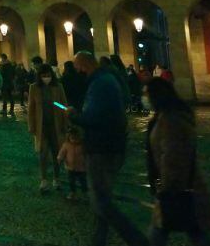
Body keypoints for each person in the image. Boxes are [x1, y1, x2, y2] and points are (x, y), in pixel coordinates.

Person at [67, 51, 147, 246]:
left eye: (78, 69)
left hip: (101, 148)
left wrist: (74, 116)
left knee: (100, 201)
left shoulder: (100, 84)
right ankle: (99, 240)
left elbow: (93, 118)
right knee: (102, 197)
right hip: (113, 144)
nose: (78, 73)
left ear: (84, 66)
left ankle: (137, 240)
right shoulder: (108, 79)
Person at [144, 77, 210, 246]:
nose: (145, 98)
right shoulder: (165, 115)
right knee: (194, 230)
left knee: (166, 231)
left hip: (179, 186)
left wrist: (167, 185)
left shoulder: (172, 120)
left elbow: (173, 156)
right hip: (180, 186)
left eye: (146, 94)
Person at [28, 63, 67, 192]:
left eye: (48, 75)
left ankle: (57, 178)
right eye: (44, 76)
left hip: (56, 126)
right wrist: (31, 126)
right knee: (42, 154)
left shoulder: (58, 87)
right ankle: (44, 179)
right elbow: (31, 109)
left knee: (57, 154)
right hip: (42, 127)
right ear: (39, 76)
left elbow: (63, 105)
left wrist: (63, 116)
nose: (46, 78)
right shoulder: (33, 88)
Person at [58, 127, 88, 201]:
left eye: (76, 137)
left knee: (83, 181)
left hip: (82, 168)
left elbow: (87, 155)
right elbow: (62, 153)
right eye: (72, 137)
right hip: (70, 168)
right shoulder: (66, 145)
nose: (74, 139)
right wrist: (60, 159)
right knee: (71, 181)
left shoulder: (83, 146)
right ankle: (72, 193)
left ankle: (85, 194)